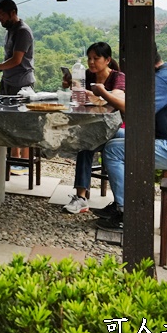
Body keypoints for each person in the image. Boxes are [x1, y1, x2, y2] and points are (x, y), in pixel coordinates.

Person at [97, 45, 167, 229]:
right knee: (112, 135)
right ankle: (121, 201)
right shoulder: (166, 73)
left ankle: (126, 213)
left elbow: (134, 112)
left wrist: (103, 93)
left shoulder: (163, 80)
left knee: (113, 150)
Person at [60, 42, 126, 215]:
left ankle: (87, 198)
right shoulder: (87, 75)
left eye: (96, 58)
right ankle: (81, 198)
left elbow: (118, 98)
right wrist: (70, 84)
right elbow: (78, 98)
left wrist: (98, 94)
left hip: (115, 128)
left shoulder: (117, 77)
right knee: (86, 141)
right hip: (94, 127)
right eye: (89, 58)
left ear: (107, 60)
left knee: (86, 142)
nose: (91, 62)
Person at [0, 0, 35, 163]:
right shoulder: (10, 31)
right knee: (9, 122)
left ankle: (22, 162)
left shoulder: (22, 31)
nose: (0, 18)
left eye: (1, 14)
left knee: (21, 124)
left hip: (21, 83)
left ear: (12, 12)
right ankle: (14, 159)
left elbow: (16, 60)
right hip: (8, 81)